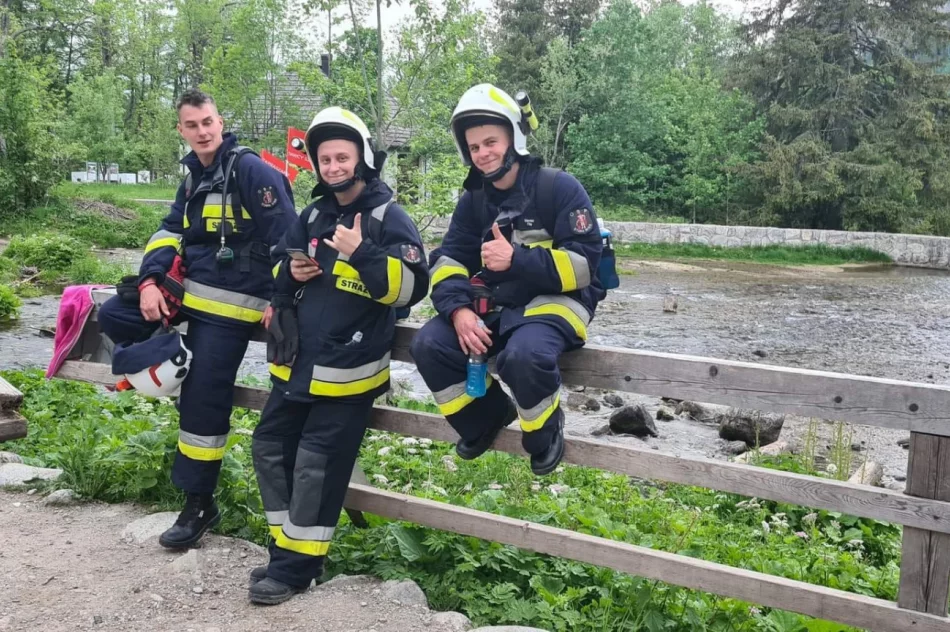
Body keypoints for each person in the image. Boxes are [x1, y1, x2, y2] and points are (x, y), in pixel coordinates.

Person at [97, 88, 297, 548]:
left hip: (233, 307)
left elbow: (288, 239)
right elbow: (168, 230)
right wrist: (149, 283)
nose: (202, 132)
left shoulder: (251, 171)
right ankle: (169, 360)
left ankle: (198, 502)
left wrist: (281, 299)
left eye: (208, 122)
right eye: (192, 125)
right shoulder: (191, 177)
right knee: (114, 313)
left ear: (220, 121)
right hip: (188, 296)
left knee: (202, 396)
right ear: (181, 130)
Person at [248, 107, 428, 605]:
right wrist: (290, 274)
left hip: (348, 374)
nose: (332, 166)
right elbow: (279, 264)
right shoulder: (311, 214)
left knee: (315, 466)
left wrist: (361, 253)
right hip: (298, 366)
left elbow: (412, 289)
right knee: (269, 449)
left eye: (342, 156)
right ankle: (285, 549)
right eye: (325, 158)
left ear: (363, 159)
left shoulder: (389, 217)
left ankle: (297, 568)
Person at [410, 83, 605, 476]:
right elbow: (447, 261)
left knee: (524, 356)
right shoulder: (473, 201)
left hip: (559, 302)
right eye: (474, 147)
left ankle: (544, 432)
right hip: (498, 306)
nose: (483, 154)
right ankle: (486, 417)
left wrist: (515, 259)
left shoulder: (559, 188)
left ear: (513, 138)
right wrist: (459, 311)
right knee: (429, 344)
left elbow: (585, 265)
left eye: (490, 142)